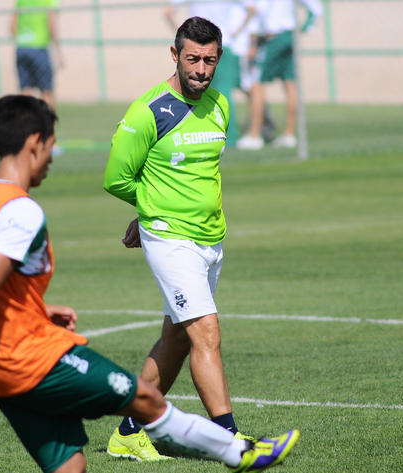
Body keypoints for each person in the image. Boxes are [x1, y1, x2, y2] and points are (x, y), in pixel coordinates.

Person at [0, 95, 299, 473]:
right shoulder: (21, 211)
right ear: (35, 143)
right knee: (146, 400)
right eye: (52, 146)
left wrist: (36, 309)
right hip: (35, 360)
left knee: (70, 466)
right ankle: (239, 452)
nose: (52, 158)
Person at [103, 16, 252, 462]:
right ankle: (231, 440)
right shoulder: (148, 111)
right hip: (170, 239)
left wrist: (151, 206)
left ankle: (129, 431)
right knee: (206, 333)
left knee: (177, 340)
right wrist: (150, 212)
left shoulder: (221, 105)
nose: (201, 70)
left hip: (211, 240)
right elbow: (117, 178)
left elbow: (200, 173)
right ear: (175, 55)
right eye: (192, 59)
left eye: (210, 60)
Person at [164, 1, 256, 148]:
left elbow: (168, 12)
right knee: (223, 93)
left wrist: (184, 40)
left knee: (194, 91)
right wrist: (235, 32)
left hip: (195, 47)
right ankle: (228, 137)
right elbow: (251, 9)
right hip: (221, 44)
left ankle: (196, 134)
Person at [236, 0, 322, 150]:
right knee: (290, 83)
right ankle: (289, 134)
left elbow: (257, 11)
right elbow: (316, 9)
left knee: (256, 83)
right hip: (289, 37)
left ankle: (254, 135)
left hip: (274, 38)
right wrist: (302, 30)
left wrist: (253, 43)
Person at [11, 0, 63, 111]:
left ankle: (25, 121)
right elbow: (51, 25)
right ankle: (48, 121)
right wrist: (59, 52)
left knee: (25, 92)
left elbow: (12, 27)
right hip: (39, 47)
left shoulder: (21, 1)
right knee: (46, 92)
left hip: (22, 47)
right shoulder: (48, 1)